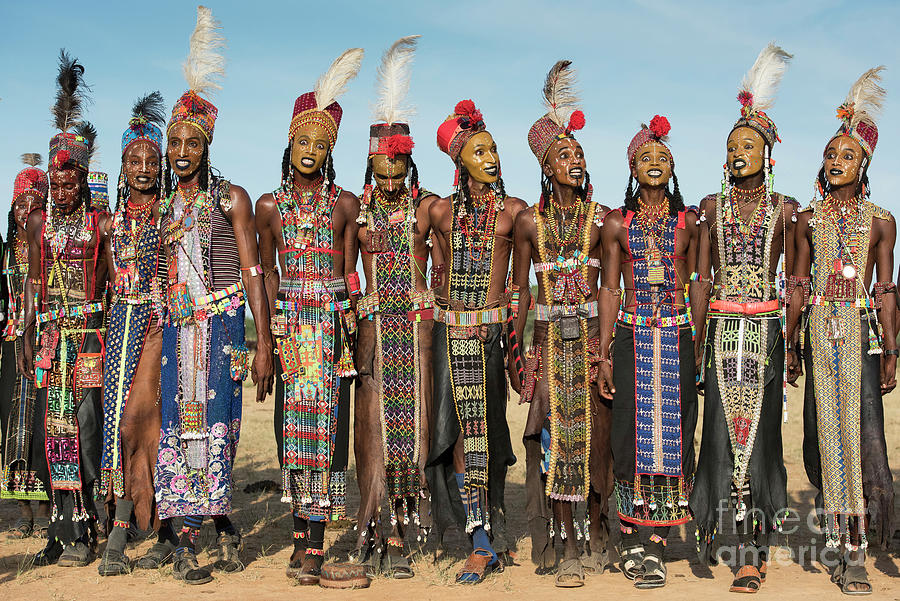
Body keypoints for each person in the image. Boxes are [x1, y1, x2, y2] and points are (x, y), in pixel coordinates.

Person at [153, 6, 274, 584]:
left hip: (223, 330)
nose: (181, 151)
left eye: (191, 142)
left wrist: (265, 341)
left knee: (220, 426)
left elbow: (252, 272)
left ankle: (218, 520)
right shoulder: (158, 208)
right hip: (175, 328)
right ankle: (184, 541)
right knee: (178, 428)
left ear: (206, 145)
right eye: (173, 141)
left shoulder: (232, 198)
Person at [689, 44, 796, 593]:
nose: (738, 153)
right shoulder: (710, 206)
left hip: (766, 334)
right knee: (719, 442)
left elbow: (796, 281)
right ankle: (716, 534)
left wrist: (793, 344)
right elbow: (702, 278)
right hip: (721, 337)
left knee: (759, 443)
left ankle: (752, 553)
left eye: (748, 144)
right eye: (731, 145)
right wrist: (698, 339)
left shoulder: (787, 210)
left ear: (767, 153)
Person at [255, 47, 363, 585]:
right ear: (289, 142)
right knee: (287, 430)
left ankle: (318, 546)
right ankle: (299, 538)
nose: (311, 151)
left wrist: (347, 331)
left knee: (325, 431)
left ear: (330, 152)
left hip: (328, 328)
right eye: (304, 141)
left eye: (322, 145)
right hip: (288, 325)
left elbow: (347, 272)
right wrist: (268, 340)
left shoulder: (344, 203)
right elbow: (269, 274)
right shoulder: (268, 206)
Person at [786, 66, 895, 596]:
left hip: (862, 336)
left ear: (865, 163)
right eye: (831, 154)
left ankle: (859, 547)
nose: (836, 161)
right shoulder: (806, 220)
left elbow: (885, 290)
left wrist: (893, 351)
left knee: (863, 437)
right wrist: (789, 344)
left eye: (847, 154)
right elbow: (799, 284)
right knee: (823, 437)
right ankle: (838, 537)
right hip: (818, 334)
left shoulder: (881, 220)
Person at [512, 60, 611, 586]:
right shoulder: (530, 221)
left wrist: (609, 348)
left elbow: (612, 287)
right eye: (563, 154)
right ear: (547, 167)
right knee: (555, 441)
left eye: (577, 152)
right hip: (550, 346)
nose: (574, 160)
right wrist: (516, 347)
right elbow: (521, 290)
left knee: (594, 443)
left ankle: (597, 529)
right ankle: (565, 541)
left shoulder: (604, 219)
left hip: (592, 344)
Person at [426, 99, 527, 584]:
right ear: (458, 160)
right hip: (450, 334)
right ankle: (479, 539)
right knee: (457, 437)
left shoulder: (514, 212)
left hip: (490, 337)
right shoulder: (440, 212)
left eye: (494, 150)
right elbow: (426, 267)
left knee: (489, 436)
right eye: (479, 152)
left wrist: (516, 345)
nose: (490, 159)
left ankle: (489, 532)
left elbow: (525, 284)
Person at [598, 116, 700, 589]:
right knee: (629, 434)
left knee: (673, 433)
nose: (654, 164)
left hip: (676, 334)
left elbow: (698, 282)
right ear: (632, 168)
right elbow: (610, 288)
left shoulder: (689, 222)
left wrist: (698, 340)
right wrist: (603, 351)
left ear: (673, 165)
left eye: (662, 157)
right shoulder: (618, 223)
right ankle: (634, 533)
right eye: (645, 158)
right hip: (631, 336)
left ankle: (658, 539)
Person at [352, 35, 438, 579]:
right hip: (374, 328)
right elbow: (341, 271)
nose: (388, 184)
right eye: (380, 175)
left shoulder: (427, 209)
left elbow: (450, 265)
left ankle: (405, 532)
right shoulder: (354, 211)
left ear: (409, 168)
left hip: (417, 326)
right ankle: (374, 525)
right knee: (373, 429)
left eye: (397, 174)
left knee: (415, 429)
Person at [24, 51, 107, 567]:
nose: (63, 187)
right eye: (56, 182)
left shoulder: (102, 224)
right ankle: (59, 529)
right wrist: (32, 328)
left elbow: (115, 282)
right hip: (52, 340)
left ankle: (88, 526)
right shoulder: (37, 224)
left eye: (71, 179)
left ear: (82, 175)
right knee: (48, 428)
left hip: (90, 337)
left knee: (86, 427)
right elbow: (34, 281)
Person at [96, 92, 168, 576]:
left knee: (156, 426)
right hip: (119, 328)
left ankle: (159, 528)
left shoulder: (171, 216)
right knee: (118, 427)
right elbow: (102, 285)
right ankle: (121, 523)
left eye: (151, 159)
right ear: (123, 165)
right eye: (134, 159)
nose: (143, 167)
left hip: (163, 330)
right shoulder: (108, 223)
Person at [1, 154, 50, 537]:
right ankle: (22, 510)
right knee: (12, 426)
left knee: (42, 425)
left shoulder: (47, 249)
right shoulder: (3, 252)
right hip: (8, 348)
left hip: (44, 342)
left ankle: (49, 506)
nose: (26, 212)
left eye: (36, 205)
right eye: (21, 204)